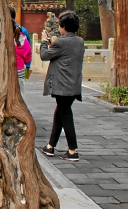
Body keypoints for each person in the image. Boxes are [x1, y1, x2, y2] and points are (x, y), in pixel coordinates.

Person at [40, 10, 85, 162]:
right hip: (73, 85)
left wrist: (44, 42)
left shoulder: (62, 42)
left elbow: (45, 55)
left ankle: (73, 150)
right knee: (59, 114)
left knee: (65, 116)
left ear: (64, 26)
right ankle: (50, 146)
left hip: (62, 86)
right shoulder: (79, 41)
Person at [14, 21, 32, 92]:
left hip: (7, 68)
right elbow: (28, 51)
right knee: (21, 89)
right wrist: (27, 66)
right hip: (21, 67)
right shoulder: (23, 31)